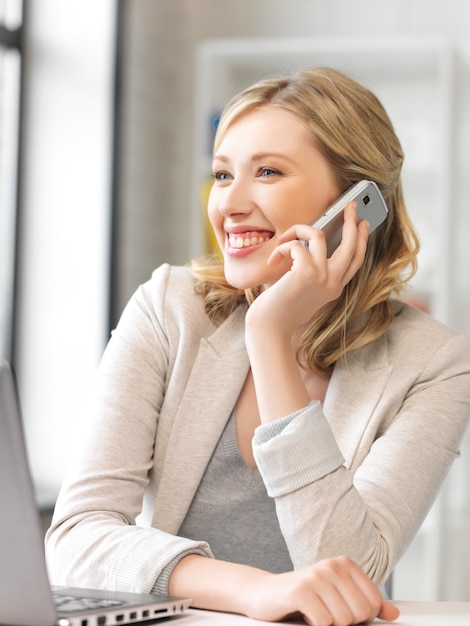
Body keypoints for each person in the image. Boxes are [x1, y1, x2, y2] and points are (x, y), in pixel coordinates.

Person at [46, 67, 470, 625]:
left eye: (267, 172)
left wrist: (270, 337)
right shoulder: (170, 308)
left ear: (356, 202)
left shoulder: (434, 364)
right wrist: (251, 592)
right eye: (223, 175)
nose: (230, 205)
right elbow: (77, 536)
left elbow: (349, 573)